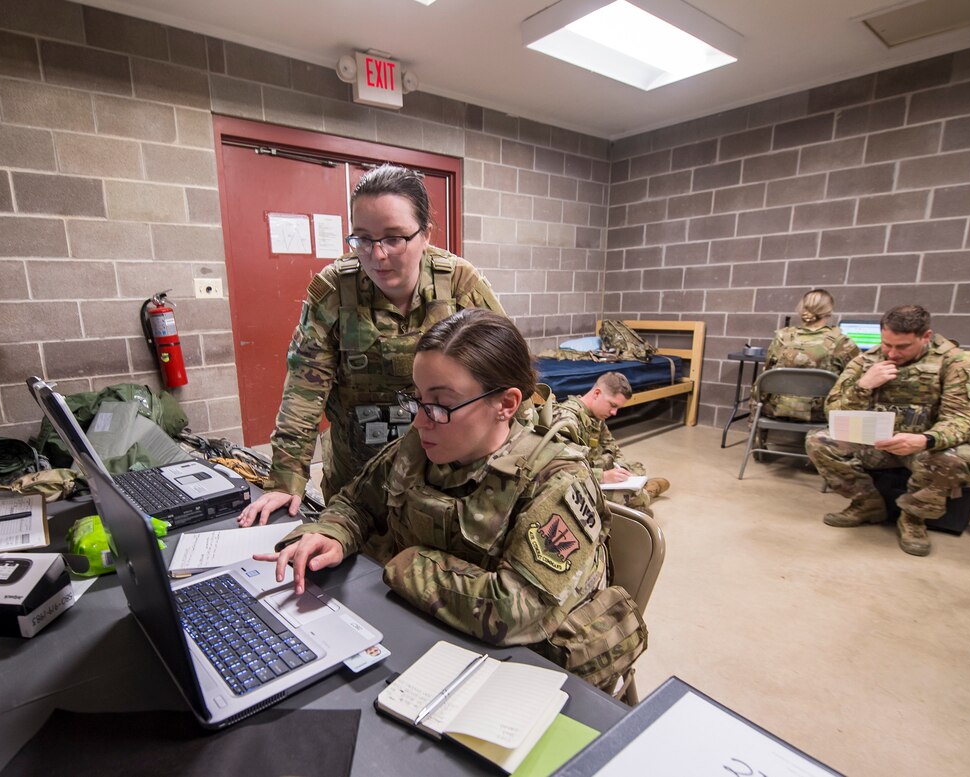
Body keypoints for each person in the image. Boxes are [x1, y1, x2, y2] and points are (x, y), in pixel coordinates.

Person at [254, 310, 647, 690]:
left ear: (506, 404)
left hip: (520, 675)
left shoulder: (556, 481)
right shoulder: (420, 449)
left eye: (441, 404)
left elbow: (516, 610)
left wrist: (405, 562)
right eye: (418, 400)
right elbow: (355, 503)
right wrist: (334, 533)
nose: (421, 421)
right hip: (431, 637)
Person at [239, 164, 504, 527]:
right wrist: (286, 479)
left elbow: (507, 378)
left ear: (425, 234)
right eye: (363, 238)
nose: (376, 256)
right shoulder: (334, 291)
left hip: (444, 473)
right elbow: (303, 390)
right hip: (356, 476)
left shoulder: (460, 285)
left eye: (394, 238)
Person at [805, 305, 970, 557]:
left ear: (925, 336)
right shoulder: (867, 361)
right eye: (886, 344)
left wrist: (925, 440)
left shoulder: (955, 363)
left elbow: (963, 419)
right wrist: (863, 385)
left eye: (902, 347)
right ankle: (867, 504)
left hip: (924, 449)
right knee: (818, 441)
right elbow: (833, 411)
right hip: (877, 444)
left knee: (965, 458)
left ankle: (913, 518)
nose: (891, 353)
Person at [551, 372, 669, 514]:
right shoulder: (567, 421)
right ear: (597, 393)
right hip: (576, 480)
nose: (614, 412)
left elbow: (611, 445)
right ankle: (648, 492)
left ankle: (637, 491)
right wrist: (603, 477)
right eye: (612, 405)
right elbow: (559, 470)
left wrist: (622, 467)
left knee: (636, 469)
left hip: (592, 468)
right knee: (639, 498)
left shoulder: (595, 415)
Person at [759, 289, 859, 422]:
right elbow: (857, 376)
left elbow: (766, 373)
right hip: (820, 414)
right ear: (829, 312)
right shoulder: (841, 342)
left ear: (801, 309)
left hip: (775, 409)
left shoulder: (781, 338)